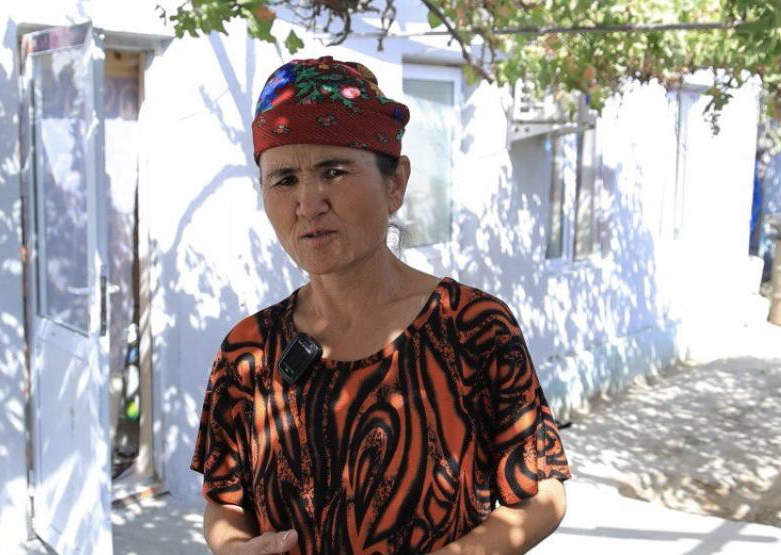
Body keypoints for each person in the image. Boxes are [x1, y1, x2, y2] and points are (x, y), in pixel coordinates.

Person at [191, 56, 571, 555]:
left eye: (333, 172)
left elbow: (542, 494)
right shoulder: (249, 352)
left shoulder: (473, 329)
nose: (308, 204)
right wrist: (232, 546)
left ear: (395, 183)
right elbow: (224, 501)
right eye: (284, 179)